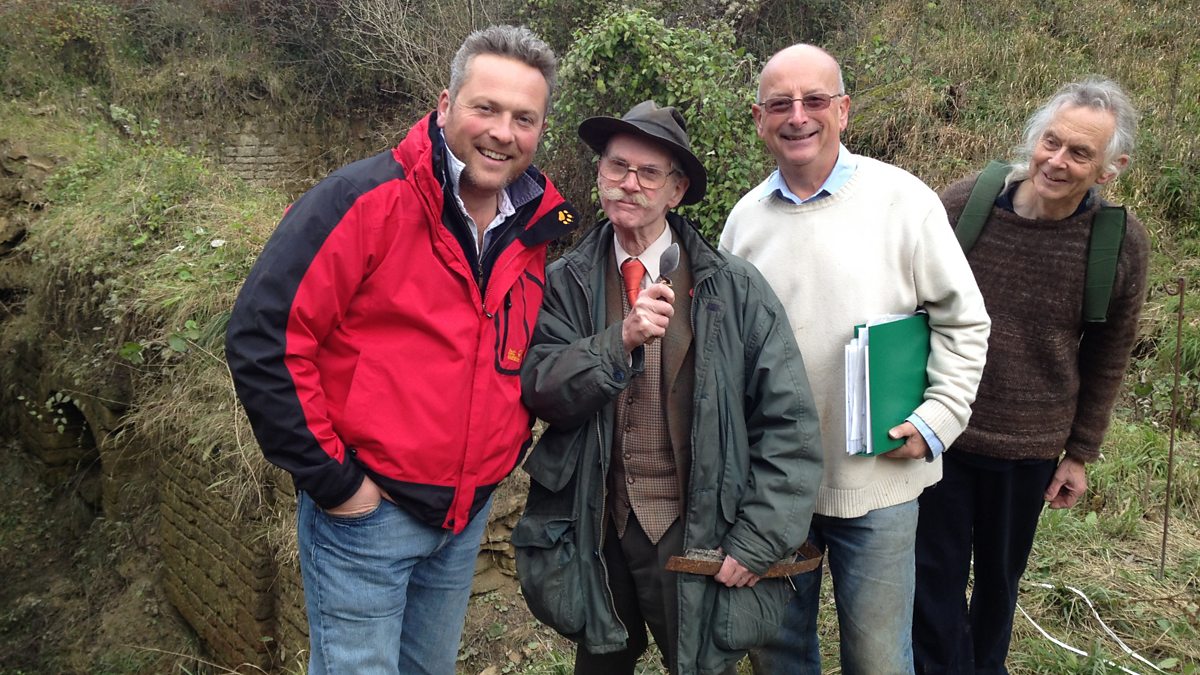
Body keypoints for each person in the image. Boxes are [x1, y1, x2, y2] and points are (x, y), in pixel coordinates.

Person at [224, 26, 579, 675]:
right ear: (445, 105)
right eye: (486, 108)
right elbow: (264, 336)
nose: (503, 131)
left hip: (463, 517)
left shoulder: (531, 232)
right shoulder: (365, 200)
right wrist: (336, 482)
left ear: (540, 127)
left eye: (524, 117)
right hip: (367, 516)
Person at [513, 100, 824, 675]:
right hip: (596, 524)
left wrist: (759, 537)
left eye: (649, 173)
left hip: (697, 526)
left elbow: (790, 424)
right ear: (599, 175)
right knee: (601, 663)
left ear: (676, 191)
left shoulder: (733, 289)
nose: (629, 184)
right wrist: (619, 340)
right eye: (616, 167)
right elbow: (541, 388)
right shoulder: (563, 282)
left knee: (700, 665)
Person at [719, 44, 991, 674]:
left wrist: (936, 422)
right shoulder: (744, 223)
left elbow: (964, 320)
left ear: (843, 110)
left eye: (814, 100)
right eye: (780, 104)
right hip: (776, 490)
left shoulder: (905, 201)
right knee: (779, 652)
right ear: (759, 118)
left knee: (877, 657)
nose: (798, 116)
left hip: (881, 484)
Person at [912, 78, 1150, 674]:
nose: (1057, 161)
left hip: (1031, 447)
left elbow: (1109, 352)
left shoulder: (1117, 244)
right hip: (942, 431)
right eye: (1052, 142)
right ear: (1033, 139)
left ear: (1108, 169)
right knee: (932, 579)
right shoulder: (962, 206)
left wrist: (1080, 454)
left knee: (999, 581)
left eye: (1080, 153)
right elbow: (906, 299)